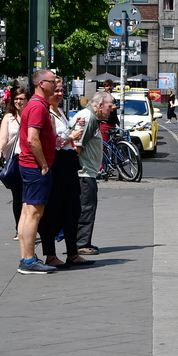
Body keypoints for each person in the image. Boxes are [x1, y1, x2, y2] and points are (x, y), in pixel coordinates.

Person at [40, 79, 92, 268]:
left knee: (72, 209)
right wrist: (71, 136)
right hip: (57, 164)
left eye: (62, 90)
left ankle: (72, 253)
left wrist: (72, 127)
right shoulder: (46, 112)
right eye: (57, 91)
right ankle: (50, 255)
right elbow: (51, 141)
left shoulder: (59, 111)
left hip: (68, 164)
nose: (60, 94)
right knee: (53, 211)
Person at [17, 70, 59, 274]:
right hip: (35, 167)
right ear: (42, 84)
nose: (56, 84)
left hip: (28, 165)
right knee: (34, 213)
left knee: (27, 212)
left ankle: (26, 258)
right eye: (53, 81)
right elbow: (32, 139)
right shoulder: (37, 106)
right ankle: (28, 260)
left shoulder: (36, 105)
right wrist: (43, 164)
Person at [74, 91, 114, 256]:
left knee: (85, 207)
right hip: (84, 173)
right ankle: (81, 243)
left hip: (86, 172)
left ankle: (81, 242)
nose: (112, 109)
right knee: (86, 207)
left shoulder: (91, 117)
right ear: (99, 105)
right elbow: (77, 146)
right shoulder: (88, 118)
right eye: (109, 106)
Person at [0, 86, 30, 236]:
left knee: (30, 197)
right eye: (16, 98)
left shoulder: (33, 115)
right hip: (15, 159)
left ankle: (31, 227)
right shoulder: (9, 117)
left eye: (21, 98)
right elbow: (3, 136)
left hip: (31, 159)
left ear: (28, 100)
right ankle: (19, 229)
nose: (18, 101)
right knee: (18, 196)